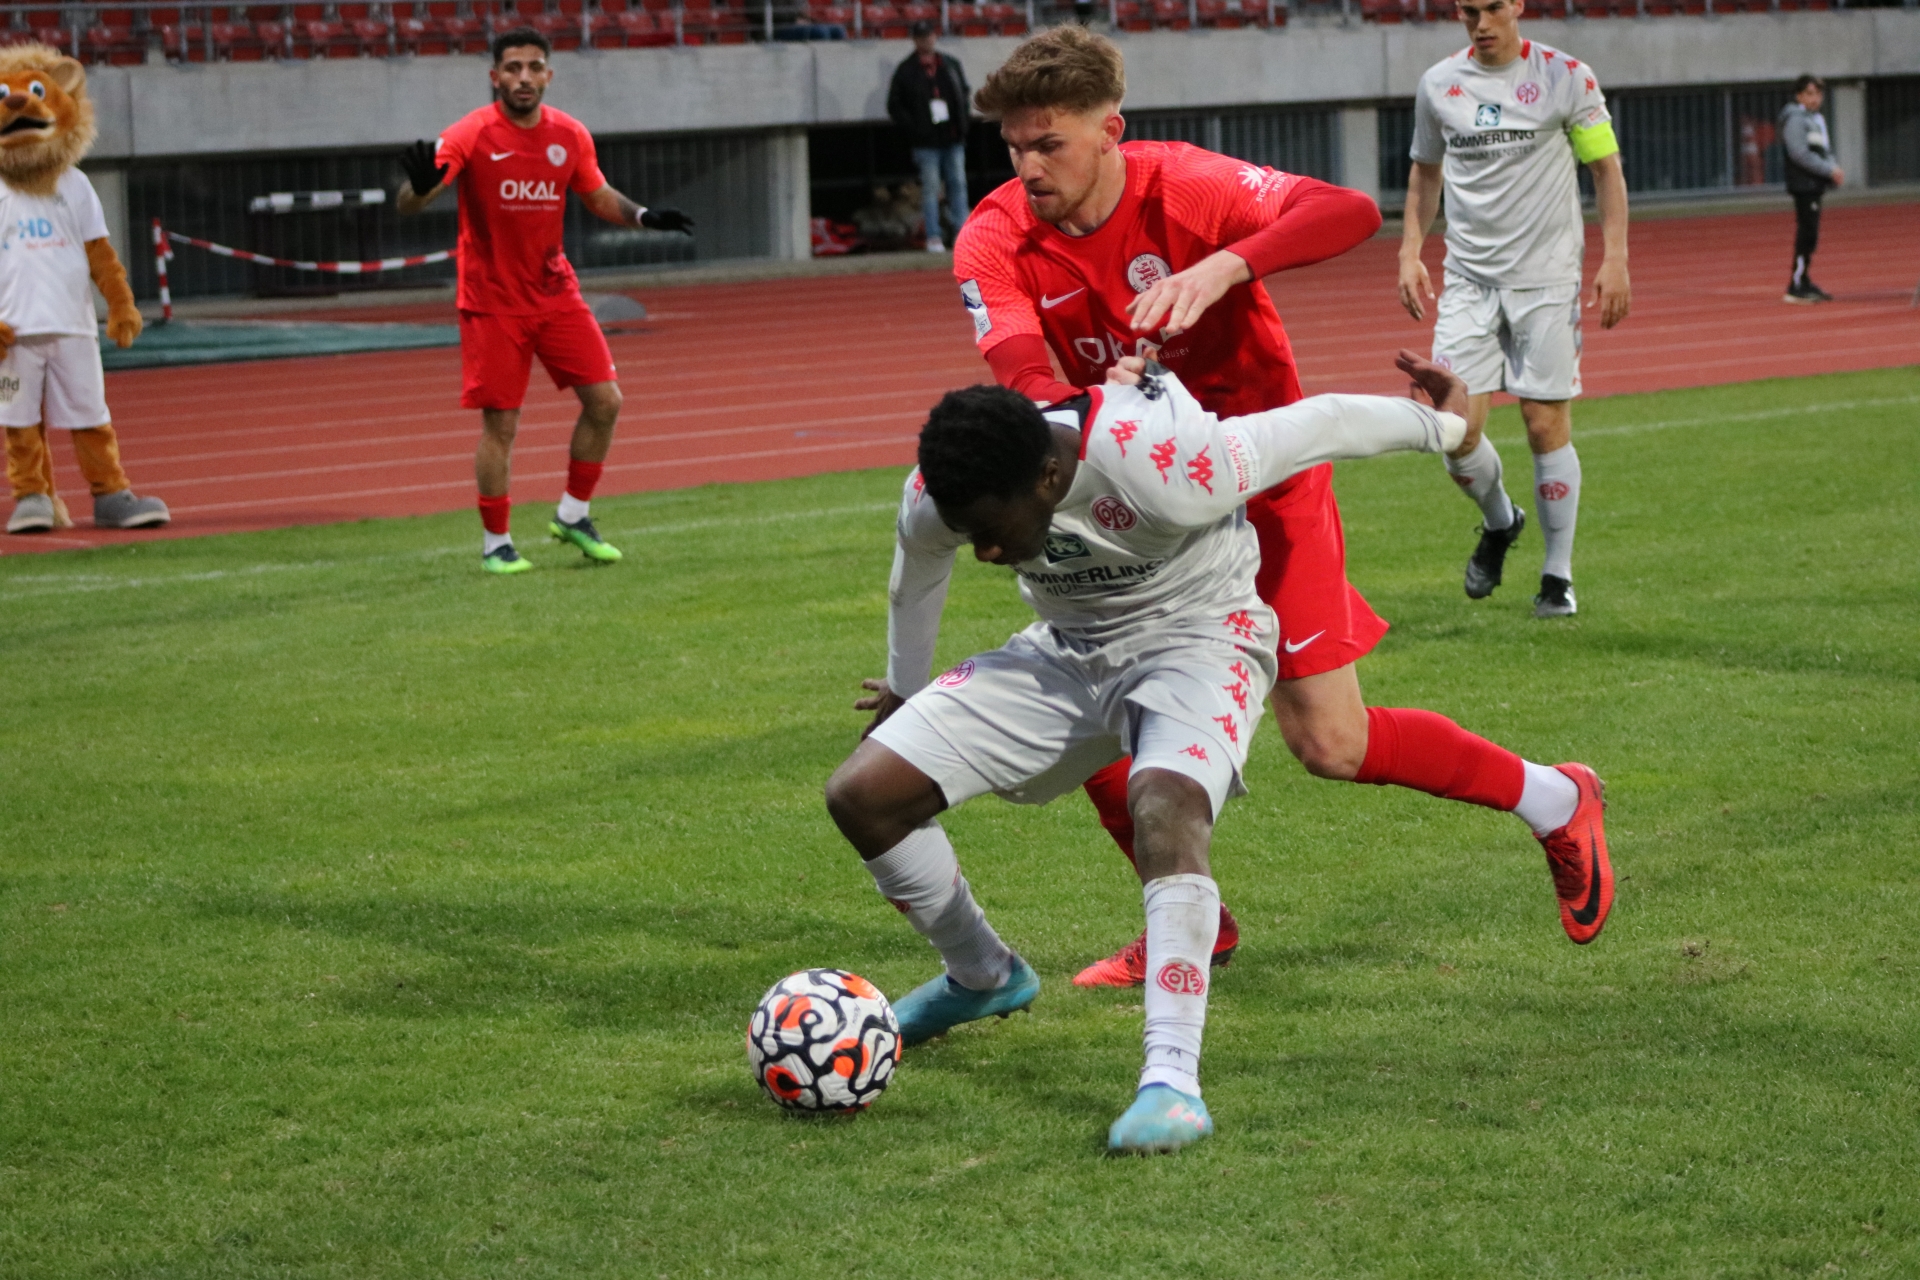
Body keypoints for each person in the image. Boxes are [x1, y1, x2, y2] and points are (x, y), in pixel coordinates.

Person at [952, 26, 1605, 992]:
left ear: (1110, 133)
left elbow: (1344, 211)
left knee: (1331, 744)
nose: (1026, 166)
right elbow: (1022, 388)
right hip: (1134, 499)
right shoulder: (995, 237)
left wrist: (1224, 268)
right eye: (1014, 147)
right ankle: (1192, 922)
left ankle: (1557, 799)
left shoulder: (1188, 186)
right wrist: (1094, 411)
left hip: (1265, 480)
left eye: (1047, 144)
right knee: (1089, 712)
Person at [826, 352, 1611, 1154]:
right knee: (864, 793)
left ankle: (1172, 1083)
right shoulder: (942, 493)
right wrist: (903, 691)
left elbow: (1320, 425)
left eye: (992, 534)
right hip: (1066, 649)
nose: (985, 554)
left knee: (1168, 804)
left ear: (1047, 476)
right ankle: (983, 976)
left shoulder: (1163, 467)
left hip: (1201, 640)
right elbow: (914, 578)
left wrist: (1447, 426)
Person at [397, 27, 693, 575]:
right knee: (501, 426)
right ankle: (496, 544)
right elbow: (416, 199)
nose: (524, 78)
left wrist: (645, 216)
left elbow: (597, 193)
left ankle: (574, 515)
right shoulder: (471, 132)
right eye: (513, 68)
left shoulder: (569, 134)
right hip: (492, 302)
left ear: (549, 75)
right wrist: (417, 188)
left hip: (556, 293)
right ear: (495, 77)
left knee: (606, 401)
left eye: (534, 67)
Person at [1398, 0, 1631, 619]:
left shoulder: (1567, 77)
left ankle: (1558, 575)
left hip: (1548, 281)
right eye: (1469, 10)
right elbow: (1426, 173)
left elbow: (1605, 169)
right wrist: (1409, 251)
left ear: (1517, 6)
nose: (1482, 23)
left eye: (1493, 8)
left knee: (1543, 425)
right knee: (1454, 431)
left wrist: (1616, 259)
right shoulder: (1439, 84)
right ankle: (1501, 523)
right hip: (1470, 282)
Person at [887, 21, 971, 253]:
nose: (926, 41)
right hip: (926, 142)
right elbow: (895, 105)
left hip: (952, 137)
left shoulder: (949, 64)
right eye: (921, 37)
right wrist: (914, 129)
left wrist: (962, 124)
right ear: (914, 40)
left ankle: (961, 233)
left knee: (958, 184)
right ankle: (933, 235)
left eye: (929, 36)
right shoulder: (906, 70)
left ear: (935, 37)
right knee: (931, 189)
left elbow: (963, 94)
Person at [1780, 74, 1842, 305]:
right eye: (1809, 93)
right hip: (1803, 184)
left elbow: (1823, 149)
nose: (1815, 98)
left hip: (1814, 183)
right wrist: (1828, 170)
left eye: (1817, 93)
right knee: (1806, 233)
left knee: (1810, 234)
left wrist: (1832, 167)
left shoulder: (1815, 119)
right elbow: (1800, 153)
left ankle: (1803, 279)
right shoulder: (1796, 120)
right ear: (1799, 96)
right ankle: (1796, 284)